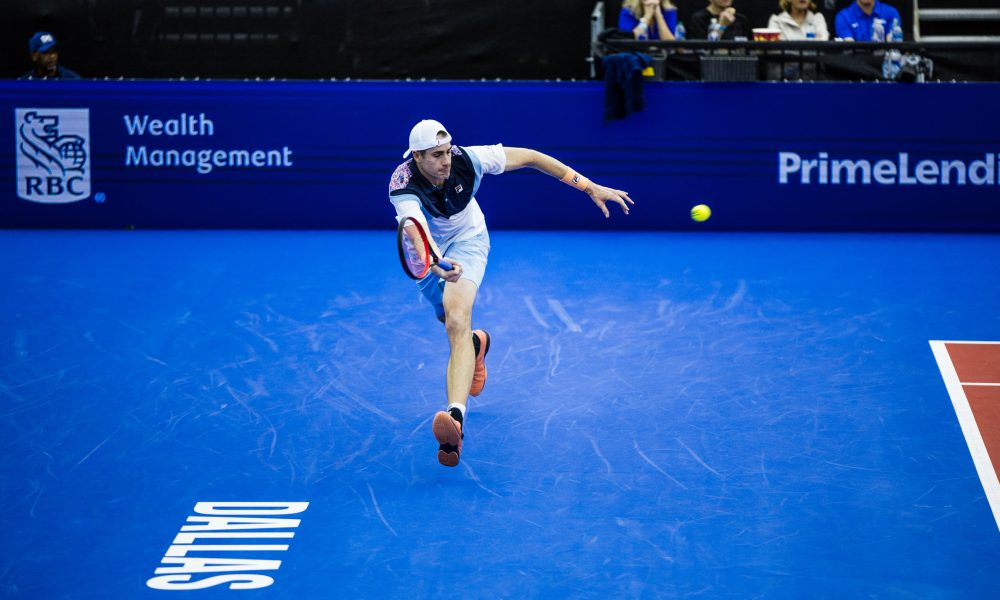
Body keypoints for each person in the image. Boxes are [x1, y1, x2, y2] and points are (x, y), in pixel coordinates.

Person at [388, 120, 633, 467]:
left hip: (469, 241)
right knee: (446, 317)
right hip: (429, 252)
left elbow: (531, 157)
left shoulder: (469, 159)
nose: (446, 160)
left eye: (447, 152)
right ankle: (476, 345)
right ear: (417, 157)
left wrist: (588, 186)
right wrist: (437, 261)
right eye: (436, 155)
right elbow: (414, 231)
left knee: (455, 320)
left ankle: (455, 420)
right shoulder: (402, 182)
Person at [835, 0, 902, 41]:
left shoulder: (891, 13)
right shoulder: (843, 16)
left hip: (885, 61)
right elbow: (849, 47)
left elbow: (893, 45)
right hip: (855, 62)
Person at [688, 0, 752, 40]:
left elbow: (749, 48)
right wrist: (722, 26)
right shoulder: (699, 19)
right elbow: (704, 49)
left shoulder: (741, 19)